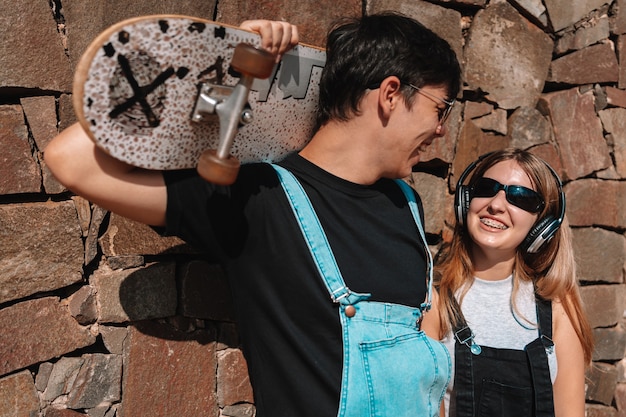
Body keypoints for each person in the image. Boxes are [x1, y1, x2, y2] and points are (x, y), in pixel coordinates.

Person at [44, 13, 461, 417]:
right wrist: (222, 64)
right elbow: (71, 159)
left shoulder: (405, 202)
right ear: (390, 94)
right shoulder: (257, 200)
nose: (441, 129)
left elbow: (422, 355)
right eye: (440, 108)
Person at [434, 149, 594, 417]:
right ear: (466, 200)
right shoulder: (435, 298)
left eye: (521, 198)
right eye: (486, 188)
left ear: (543, 226)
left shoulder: (556, 309)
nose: (496, 204)